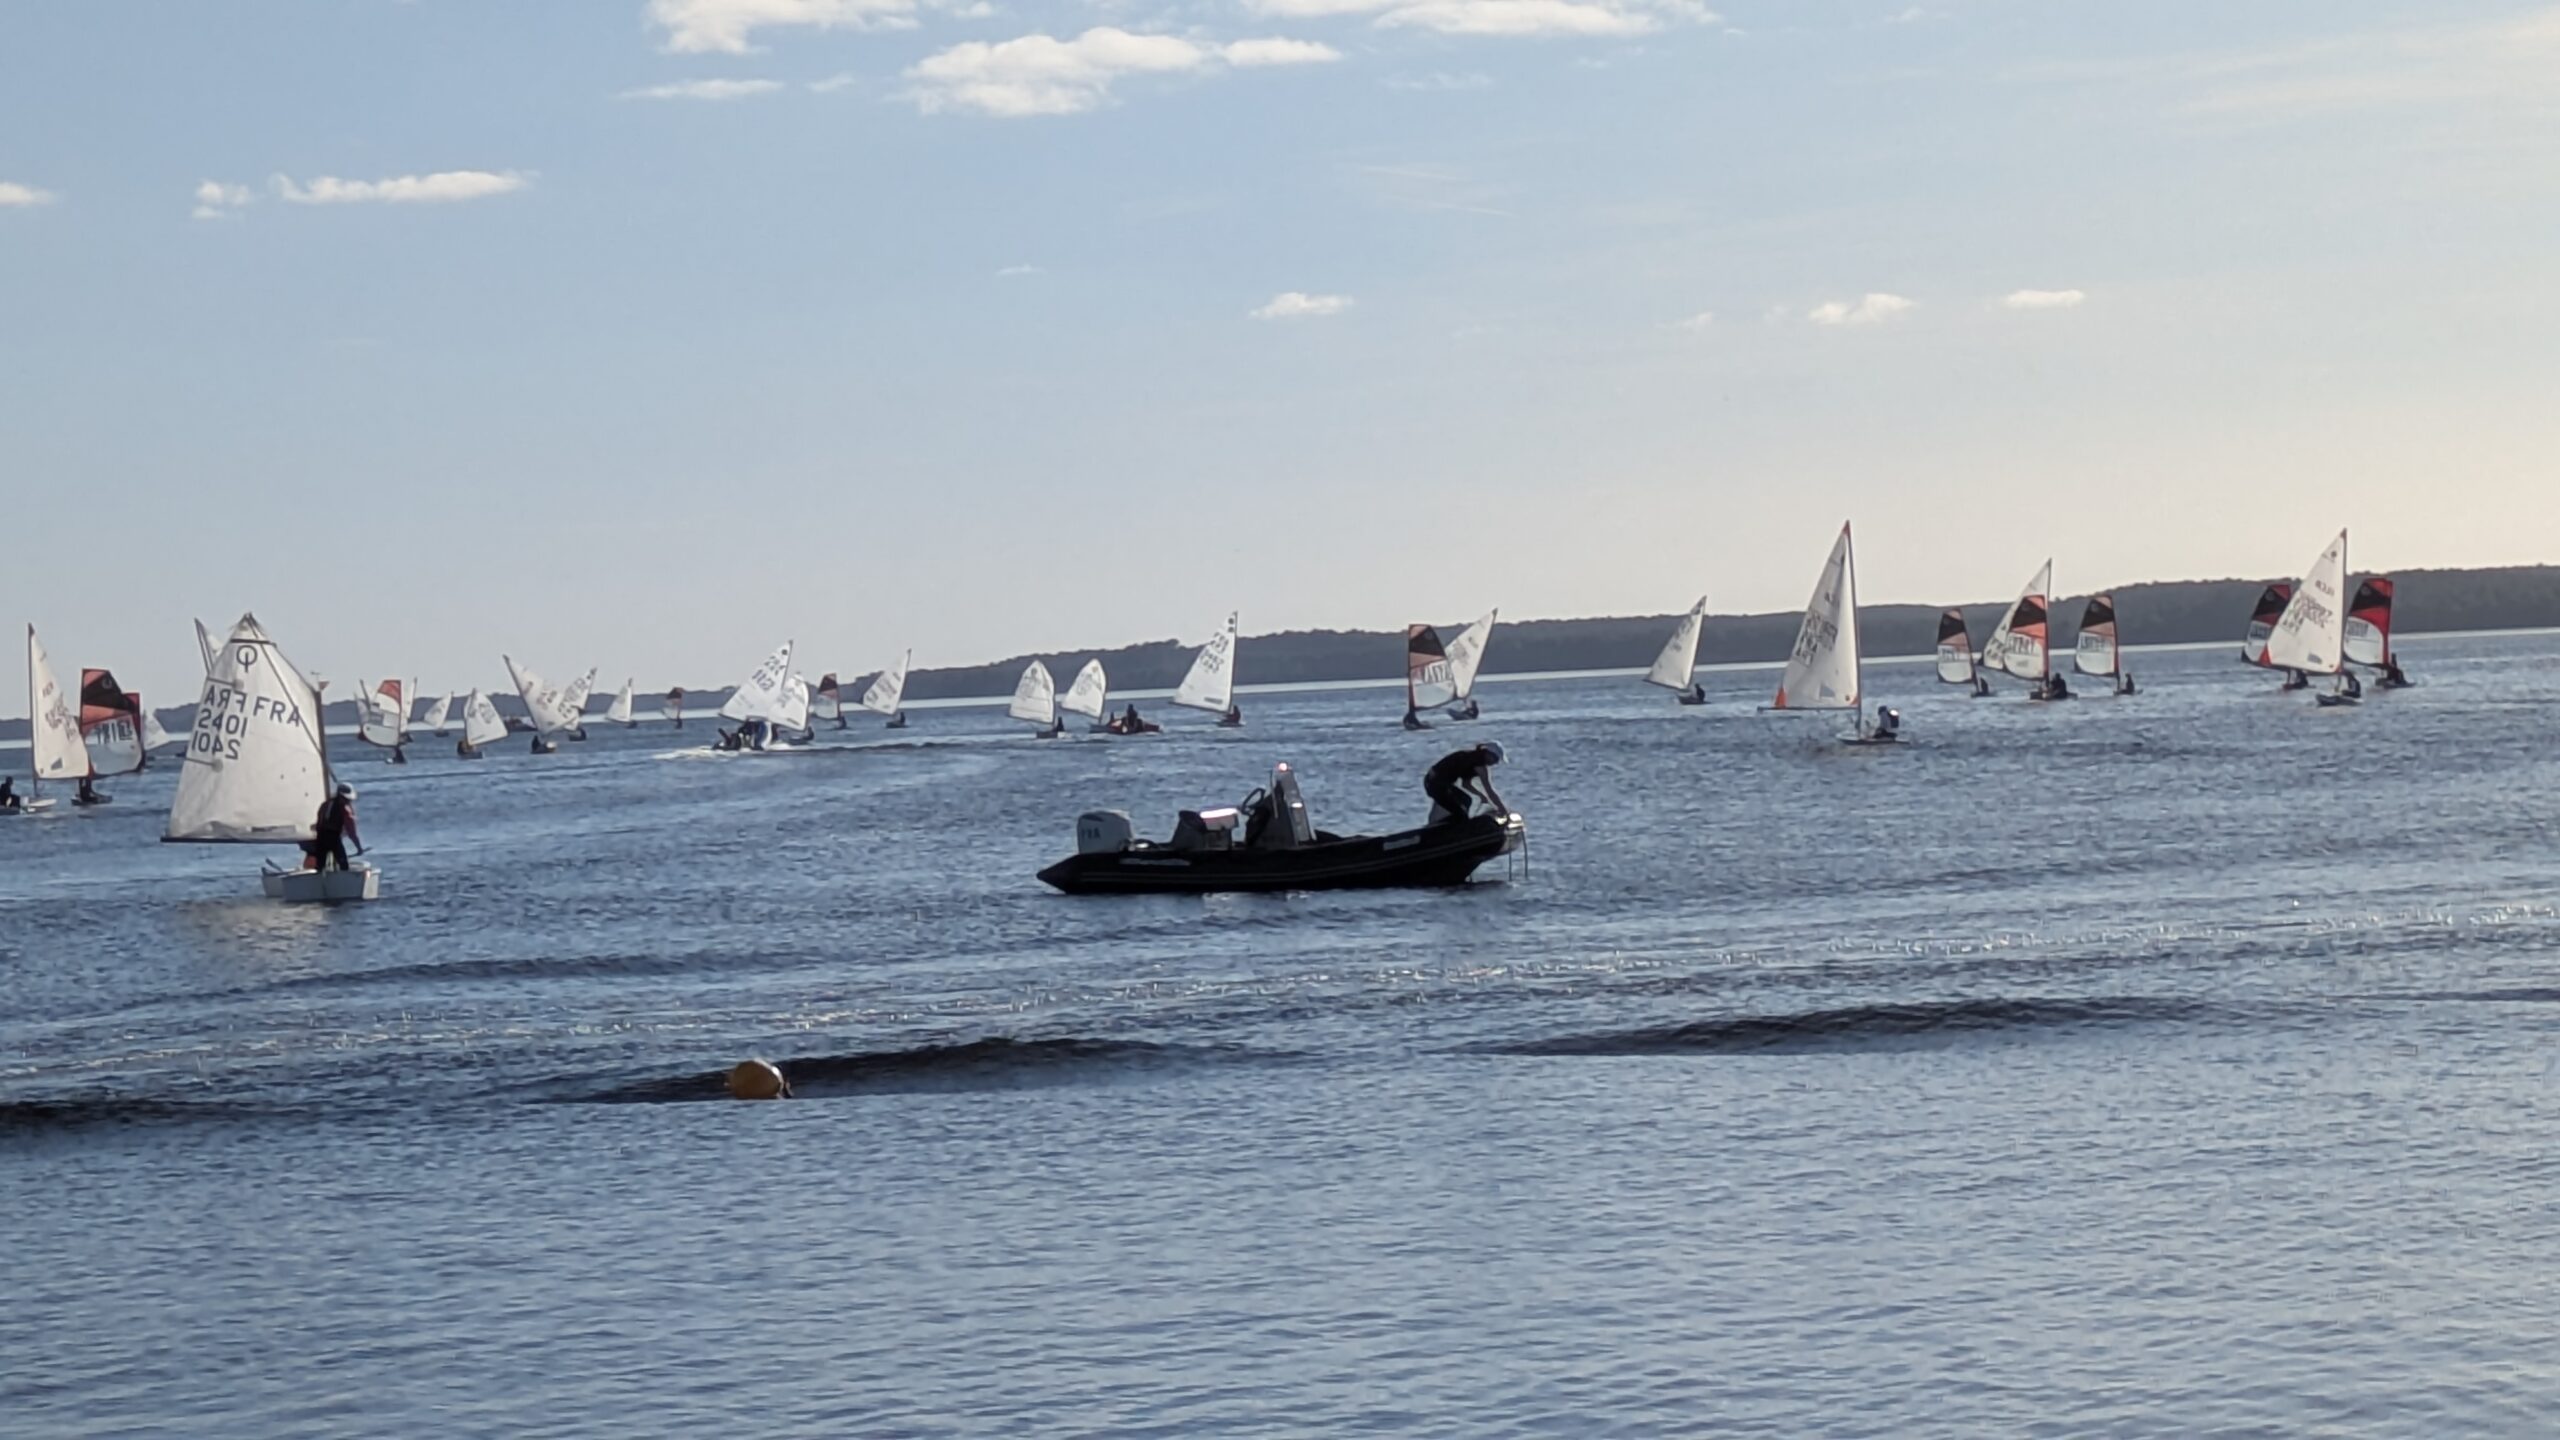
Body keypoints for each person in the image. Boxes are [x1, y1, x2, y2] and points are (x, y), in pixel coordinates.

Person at [1423, 741, 1506, 825]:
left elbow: (1466, 784)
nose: (1495, 763)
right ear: (1488, 754)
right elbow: (1490, 791)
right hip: (1435, 784)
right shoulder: (1479, 765)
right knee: (1460, 814)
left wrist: (1480, 795)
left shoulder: (1471, 757)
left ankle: (1445, 824)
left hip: (1434, 782)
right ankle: (1447, 828)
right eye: (1495, 759)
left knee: (1466, 800)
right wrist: (1502, 809)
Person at [310, 783, 361, 872]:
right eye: (347, 799)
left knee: (320, 866)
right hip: (333, 839)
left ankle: (320, 880)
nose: (348, 802)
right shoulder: (345, 810)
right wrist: (359, 847)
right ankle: (342, 881)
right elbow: (351, 832)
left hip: (321, 838)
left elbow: (319, 823)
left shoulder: (325, 804)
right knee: (343, 865)